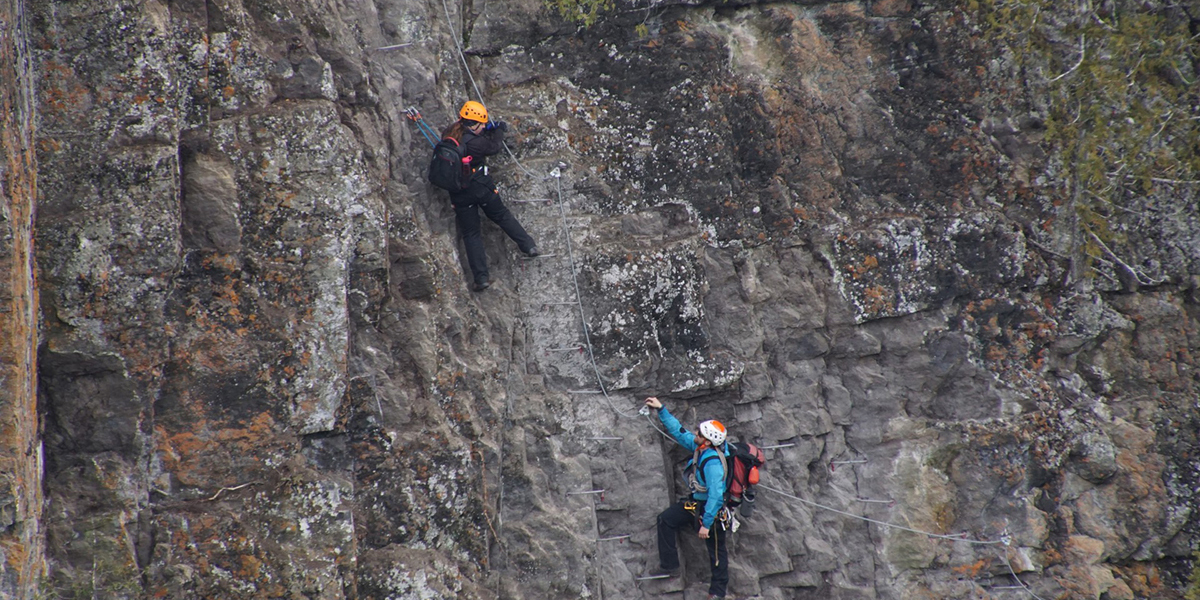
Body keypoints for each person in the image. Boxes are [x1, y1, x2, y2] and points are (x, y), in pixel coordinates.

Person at [440, 101, 539, 291]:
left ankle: (481, 278)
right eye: (481, 124)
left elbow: (474, 137)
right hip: (480, 188)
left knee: (471, 234)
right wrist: (499, 129)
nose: (484, 126)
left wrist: (486, 129)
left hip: (459, 194)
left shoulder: (449, 133)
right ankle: (528, 246)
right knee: (501, 215)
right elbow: (493, 147)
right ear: (474, 124)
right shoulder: (477, 143)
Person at [645, 396, 731, 599]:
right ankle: (670, 565)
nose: (695, 433)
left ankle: (717, 592)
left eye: (699, 433)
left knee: (717, 552)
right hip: (695, 503)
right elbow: (680, 432)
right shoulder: (701, 448)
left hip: (711, 511)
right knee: (665, 519)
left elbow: (716, 496)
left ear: (708, 440)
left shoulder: (713, 464)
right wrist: (661, 409)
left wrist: (706, 524)